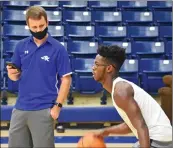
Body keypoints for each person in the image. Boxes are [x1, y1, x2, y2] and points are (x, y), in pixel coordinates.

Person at [6, 6, 72, 148]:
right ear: (28, 26)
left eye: (41, 26)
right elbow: (15, 77)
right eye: (34, 27)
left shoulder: (58, 48)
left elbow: (66, 79)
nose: (38, 30)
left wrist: (57, 107)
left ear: (47, 22)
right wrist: (12, 75)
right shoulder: (20, 46)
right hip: (20, 108)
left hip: (43, 109)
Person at [92, 45, 172, 148]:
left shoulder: (120, 91)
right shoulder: (119, 88)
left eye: (97, 64)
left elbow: (141, 126)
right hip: (161, 138)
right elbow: (131, 125)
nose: (93, 67)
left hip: (159, 141)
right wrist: (106, 131)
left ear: (109, 68)